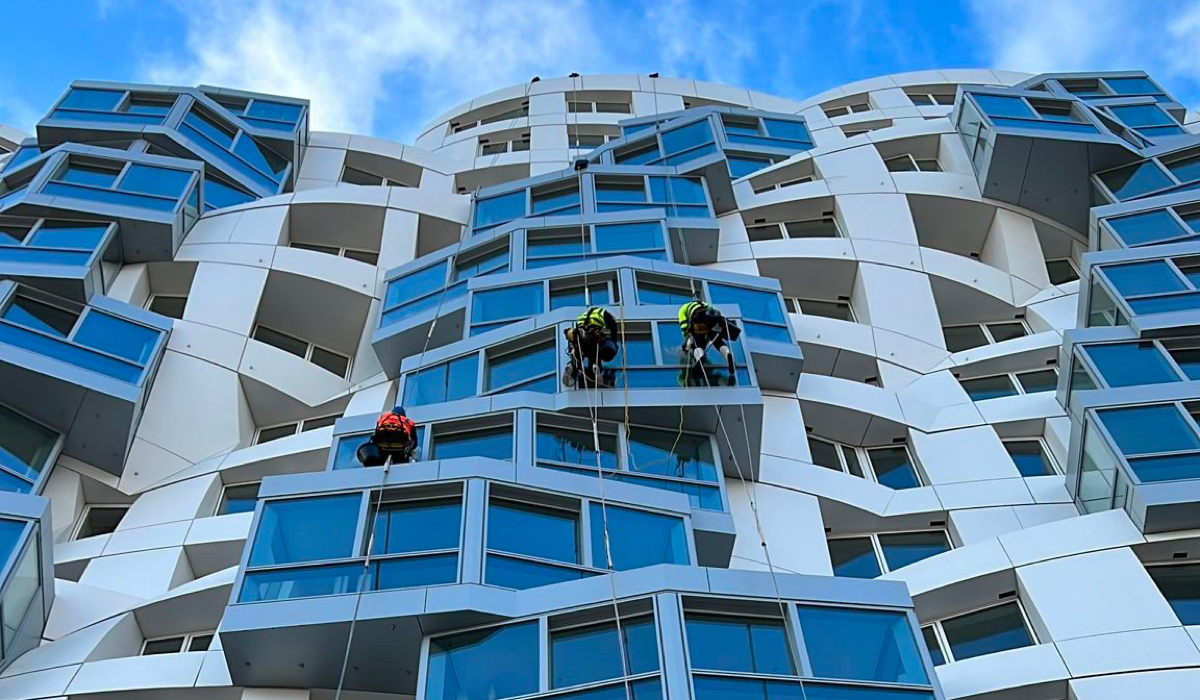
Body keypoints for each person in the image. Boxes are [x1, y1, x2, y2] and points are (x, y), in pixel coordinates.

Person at [677, 300, 740, 383]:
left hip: (698, 321)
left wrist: (686, 335)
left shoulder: (682, 309)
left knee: (697, 344)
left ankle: (700, 357)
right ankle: (727, 355)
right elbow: (713, 313)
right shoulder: (705, 304)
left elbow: (684, 324)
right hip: (712, 322)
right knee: (718, 342)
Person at [563, 306, 621, 387]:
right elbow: (613, 325)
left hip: (579, 336)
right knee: (594, 354)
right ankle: (596, 366)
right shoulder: (602, 312)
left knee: (578, 355)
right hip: (592, 336)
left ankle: (572, 367)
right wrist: (613, 341)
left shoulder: (582, 316)